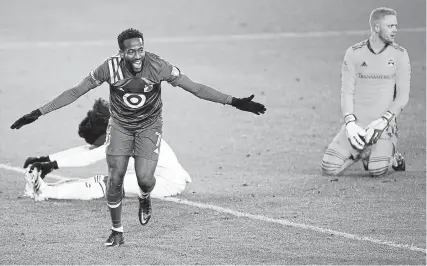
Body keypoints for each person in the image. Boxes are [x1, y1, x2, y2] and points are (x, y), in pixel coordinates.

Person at [10, 28, 267, 247]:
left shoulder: (159, 66)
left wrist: (234, 102)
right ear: (121, 52)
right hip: (125, 129)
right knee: (113, 180)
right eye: (130, 51)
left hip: (155, 147)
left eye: (140, 49)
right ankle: (118, 230)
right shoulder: (109, 69)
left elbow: (196, 88)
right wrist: (38, 113)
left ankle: (143, 197)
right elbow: (75, 92)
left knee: (131, 180)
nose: (136, 55)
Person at [23, 98, 191, 202]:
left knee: (105, 184)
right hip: (155, 175)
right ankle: (44, 189)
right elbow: (88, 150)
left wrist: (50, 165)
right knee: (102, 180)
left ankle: (46, 191)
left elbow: (89, 157)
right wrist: (46, 159)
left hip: (166, 182)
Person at [321, 7, 409, 177]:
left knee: (376, 170)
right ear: (376, 28)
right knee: (328, 168)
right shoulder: (354, 53)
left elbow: (402, 96)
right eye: (390, 26)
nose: (395, 30)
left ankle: (392, 155)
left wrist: (384, 121)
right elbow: (347, 91)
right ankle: (364, 152)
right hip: (358, 125)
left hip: (383, 126)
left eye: (395, 26)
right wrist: (350, 123)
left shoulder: (400, 55)